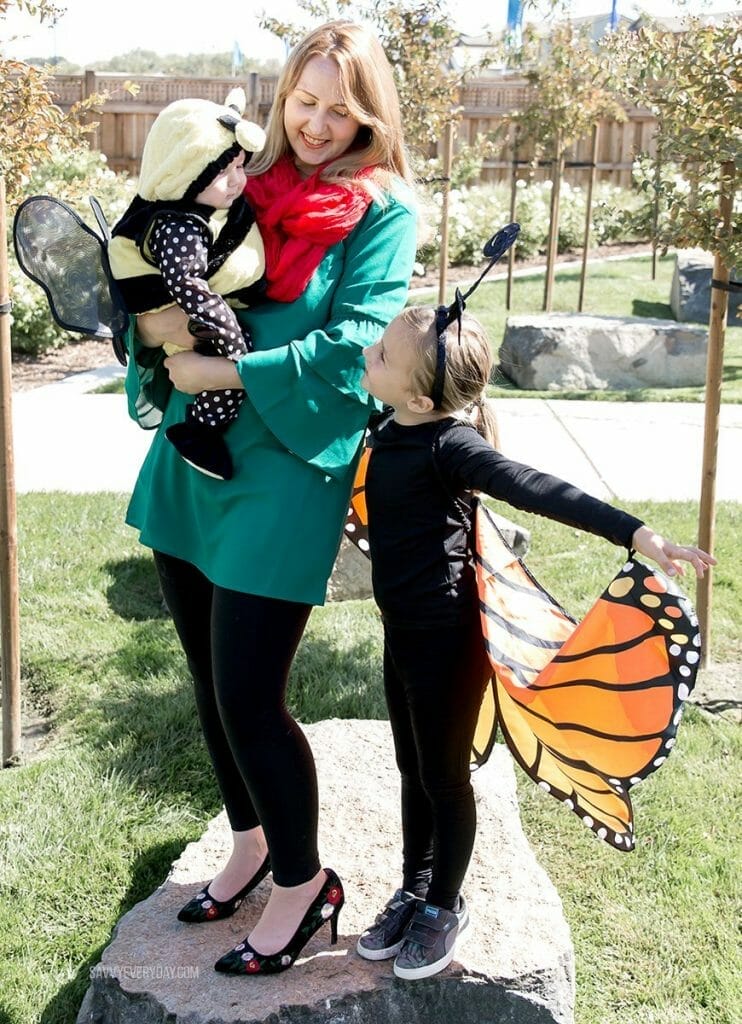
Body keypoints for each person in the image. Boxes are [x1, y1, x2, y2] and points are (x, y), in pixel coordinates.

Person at [124, 21, 417, 976]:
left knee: (252, 693)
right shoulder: (239, 181)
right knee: (211, 685)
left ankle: (304, 884)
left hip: (289, 468)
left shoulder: (383, 213)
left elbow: (356, 347)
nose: (321, 123)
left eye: (343, 107)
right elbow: (162, 280)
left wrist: (227, 364)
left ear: (372, 115)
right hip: (194, 457)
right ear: (284, 92)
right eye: (306, 99)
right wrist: (157, 338)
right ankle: (249, 846)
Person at [355, 302, 716, 981]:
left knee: (442, 777)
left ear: (421, 395)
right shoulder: (388, 423)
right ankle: (414, 885)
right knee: (410, 766)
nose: (370, 352)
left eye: (381, 354)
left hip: (444, 642)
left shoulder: (448, 445)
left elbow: (537, 488)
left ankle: (443, 904)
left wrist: (635, 532)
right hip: (398, 633)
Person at [108, 91, 267, 480]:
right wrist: (232, 344)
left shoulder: (202, 208)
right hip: (191, 325)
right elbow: (187, 283)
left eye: (241, 167)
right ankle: (200, 433)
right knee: (232, 362)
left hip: (190, 326)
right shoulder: (177, 224)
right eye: (221, 173)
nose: (235, 183)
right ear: (183, 171)